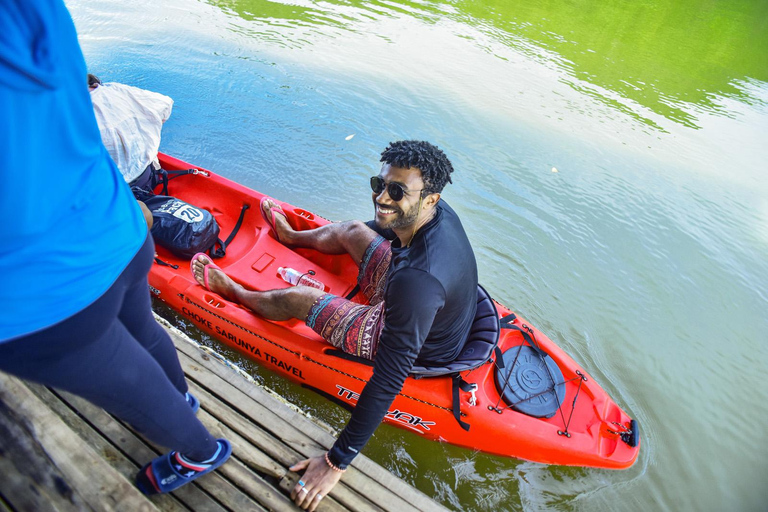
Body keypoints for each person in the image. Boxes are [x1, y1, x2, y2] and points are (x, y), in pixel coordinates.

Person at [0, 0, 230, 496]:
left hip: (50, 292)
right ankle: (181, 399)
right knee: (143, 333)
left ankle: (200, 452)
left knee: (129, 380)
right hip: (118, 226)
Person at [191, 140, 478, 510]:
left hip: (408, 331)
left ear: (430, 200)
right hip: (411, 297)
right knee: (355, 230)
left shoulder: (418, 282)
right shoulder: (432, 215)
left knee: (300, 298)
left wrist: (335, 461)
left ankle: (236, 292)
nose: (382, 197)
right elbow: (387, 231)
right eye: (379, 184)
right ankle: (290, 236)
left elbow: (390, 376)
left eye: (396, 192)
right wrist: (384, 219)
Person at [88, 72, 173, 190]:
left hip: (109, 193)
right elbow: (166, 104)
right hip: (147, 179)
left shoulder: (65, 115)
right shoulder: (115, 89)